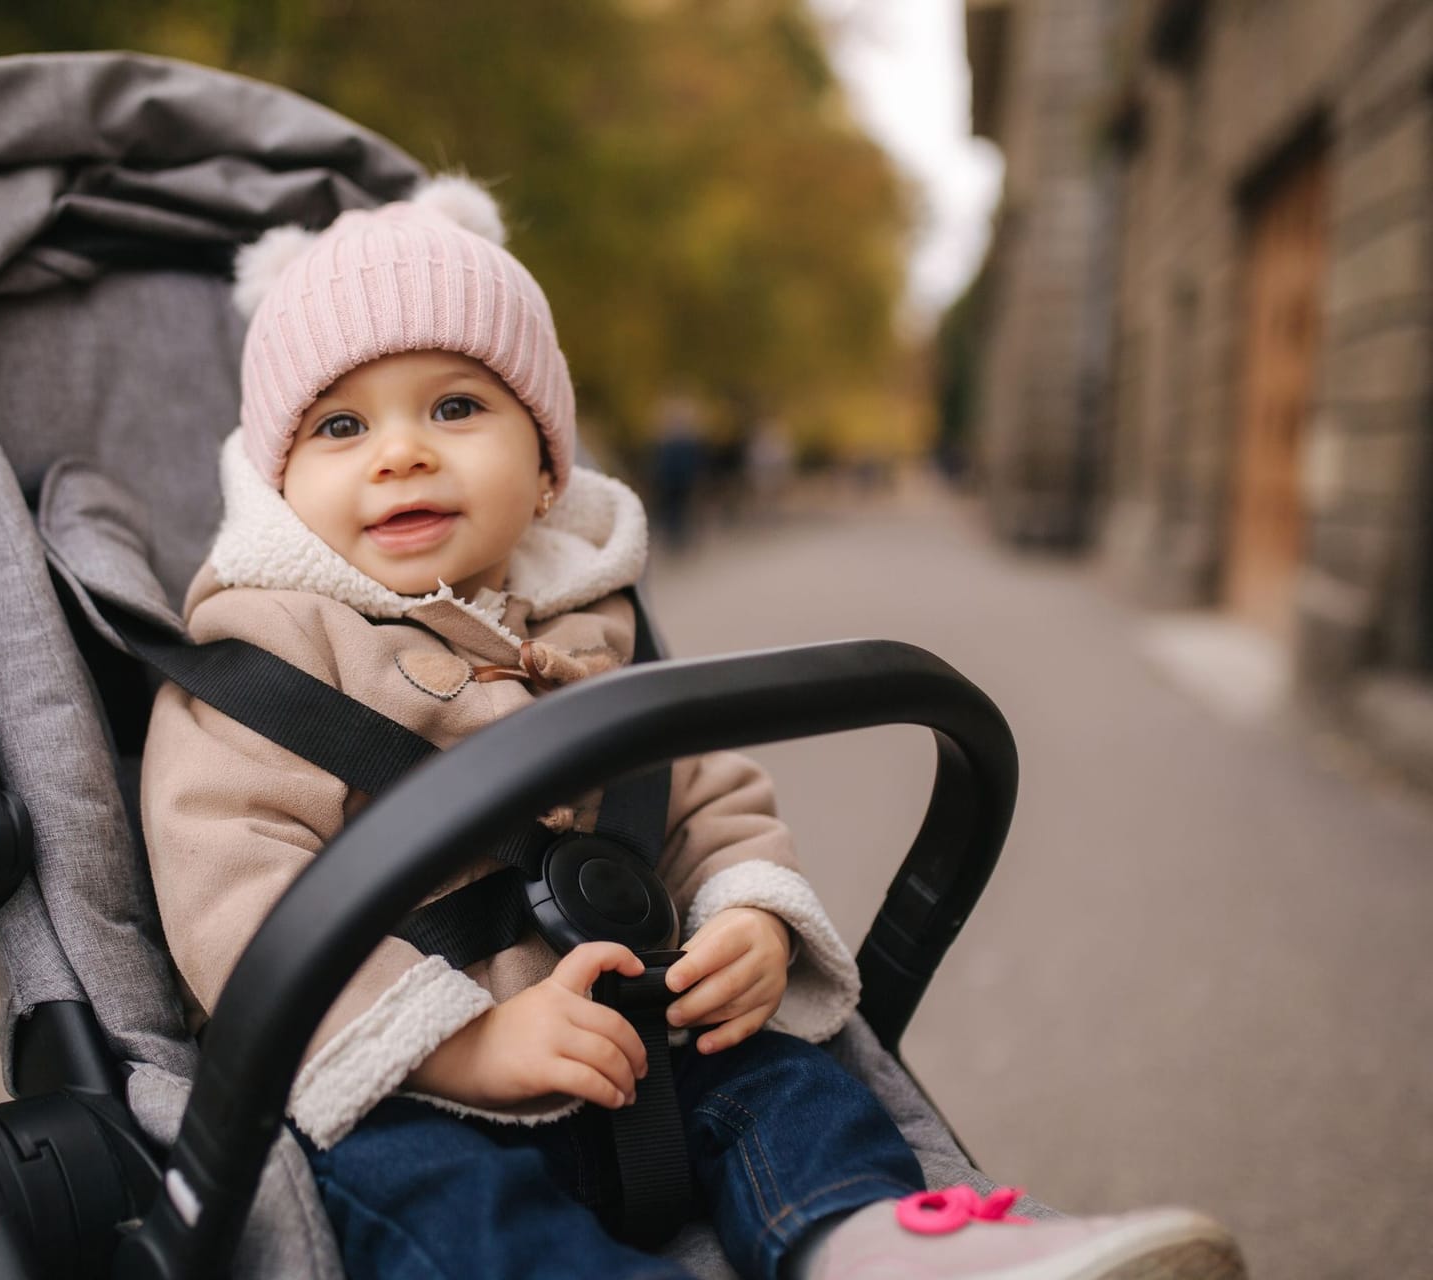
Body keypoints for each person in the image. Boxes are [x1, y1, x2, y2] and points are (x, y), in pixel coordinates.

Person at [140, 176, 1245, 1280]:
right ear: (281, 482)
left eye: (456, 406)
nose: (401, 452)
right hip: (408, 1079)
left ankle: (874, 1242)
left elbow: (707, 794)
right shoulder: (268, 661)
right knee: (416, 1191)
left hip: (645, 1039)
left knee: (786, 1081)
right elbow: (235, 892)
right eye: (342, 424)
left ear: (544, 465)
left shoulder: (593, 625)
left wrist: (749, 917)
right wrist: (463, 1043)